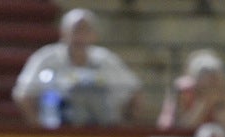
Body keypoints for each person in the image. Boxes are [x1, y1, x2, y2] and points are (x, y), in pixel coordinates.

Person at [13, 8, 142, 128]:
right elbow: (22, 95)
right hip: (58, 132)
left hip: (102, 133)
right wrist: (39, 128)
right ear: (63, 33)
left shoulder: (106, 60)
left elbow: (135, 91)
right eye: (76, 31)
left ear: (94, 35)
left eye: (85, 31)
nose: (80, 37)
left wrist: (125, 128)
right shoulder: (46, 59)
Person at [157, 48, 225, 131]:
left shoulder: (221, 94)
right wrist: (204, 104)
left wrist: (217, 105)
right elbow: (181, 127)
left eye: (215, 74)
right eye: (206, 74)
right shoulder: (183, 91)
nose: (212, 80)